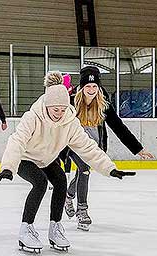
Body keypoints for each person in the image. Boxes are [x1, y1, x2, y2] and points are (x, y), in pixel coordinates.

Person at [0, 71, 136, 253]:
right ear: (47, 105)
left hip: (47, 159)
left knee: (61, 180)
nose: (60, 114)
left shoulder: (70, 121)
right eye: (56, 110)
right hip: (26, 158)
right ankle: (26, 229)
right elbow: (17, 141)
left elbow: (88, 147)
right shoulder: (32, 117)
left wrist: (110, 168)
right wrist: (8, 167)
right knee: (39, 183)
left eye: (63, 109)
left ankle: (55, 228)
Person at [64, 66, 154, 231]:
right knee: (83, 169)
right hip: (74, 145)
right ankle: (82, 210)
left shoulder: (102, 102)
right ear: (82, 87)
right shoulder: (71, 103)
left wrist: (138, 149)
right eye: (87, 86)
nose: (91, 90)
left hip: (95, 146)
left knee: (83, 172)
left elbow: (118, 126)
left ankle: (68, 196)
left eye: (94, 86)